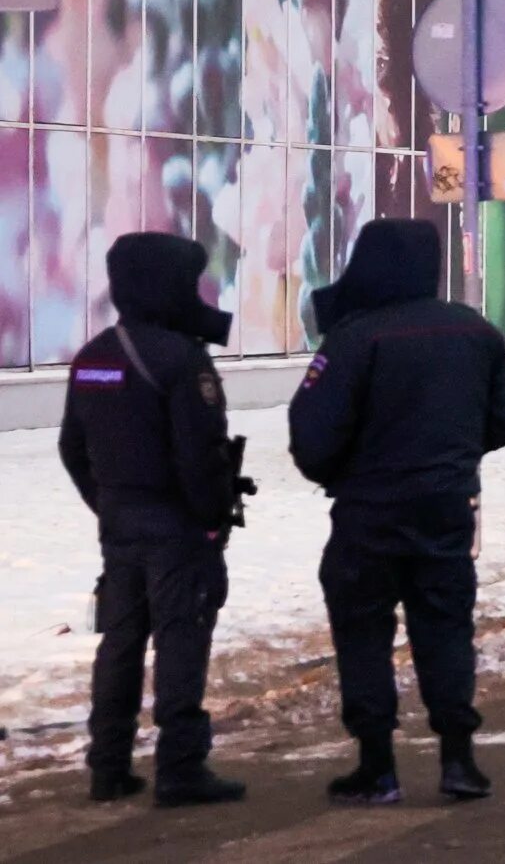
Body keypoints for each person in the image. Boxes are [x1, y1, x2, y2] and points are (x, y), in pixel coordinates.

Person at [289, 219, 505, 806]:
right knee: (445, 627)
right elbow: (504, 422)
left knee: (363, 631)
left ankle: (377, 766)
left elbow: (312, 436)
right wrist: (452, 458)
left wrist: (345, 472)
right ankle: (459, 761)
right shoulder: (477, 333)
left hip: (368, 513)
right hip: (447, 509)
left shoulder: (353, 338)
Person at [58, 233, 250, 808]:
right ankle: (181, 767)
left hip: (119, 523)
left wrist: (110, 503)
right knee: (180, 639)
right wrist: (212, 520)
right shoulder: (181, 359)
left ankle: (109, 766)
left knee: (119, 643)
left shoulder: (93, 355)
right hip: (177, 528)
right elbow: (199, 457)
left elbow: (72, 448)